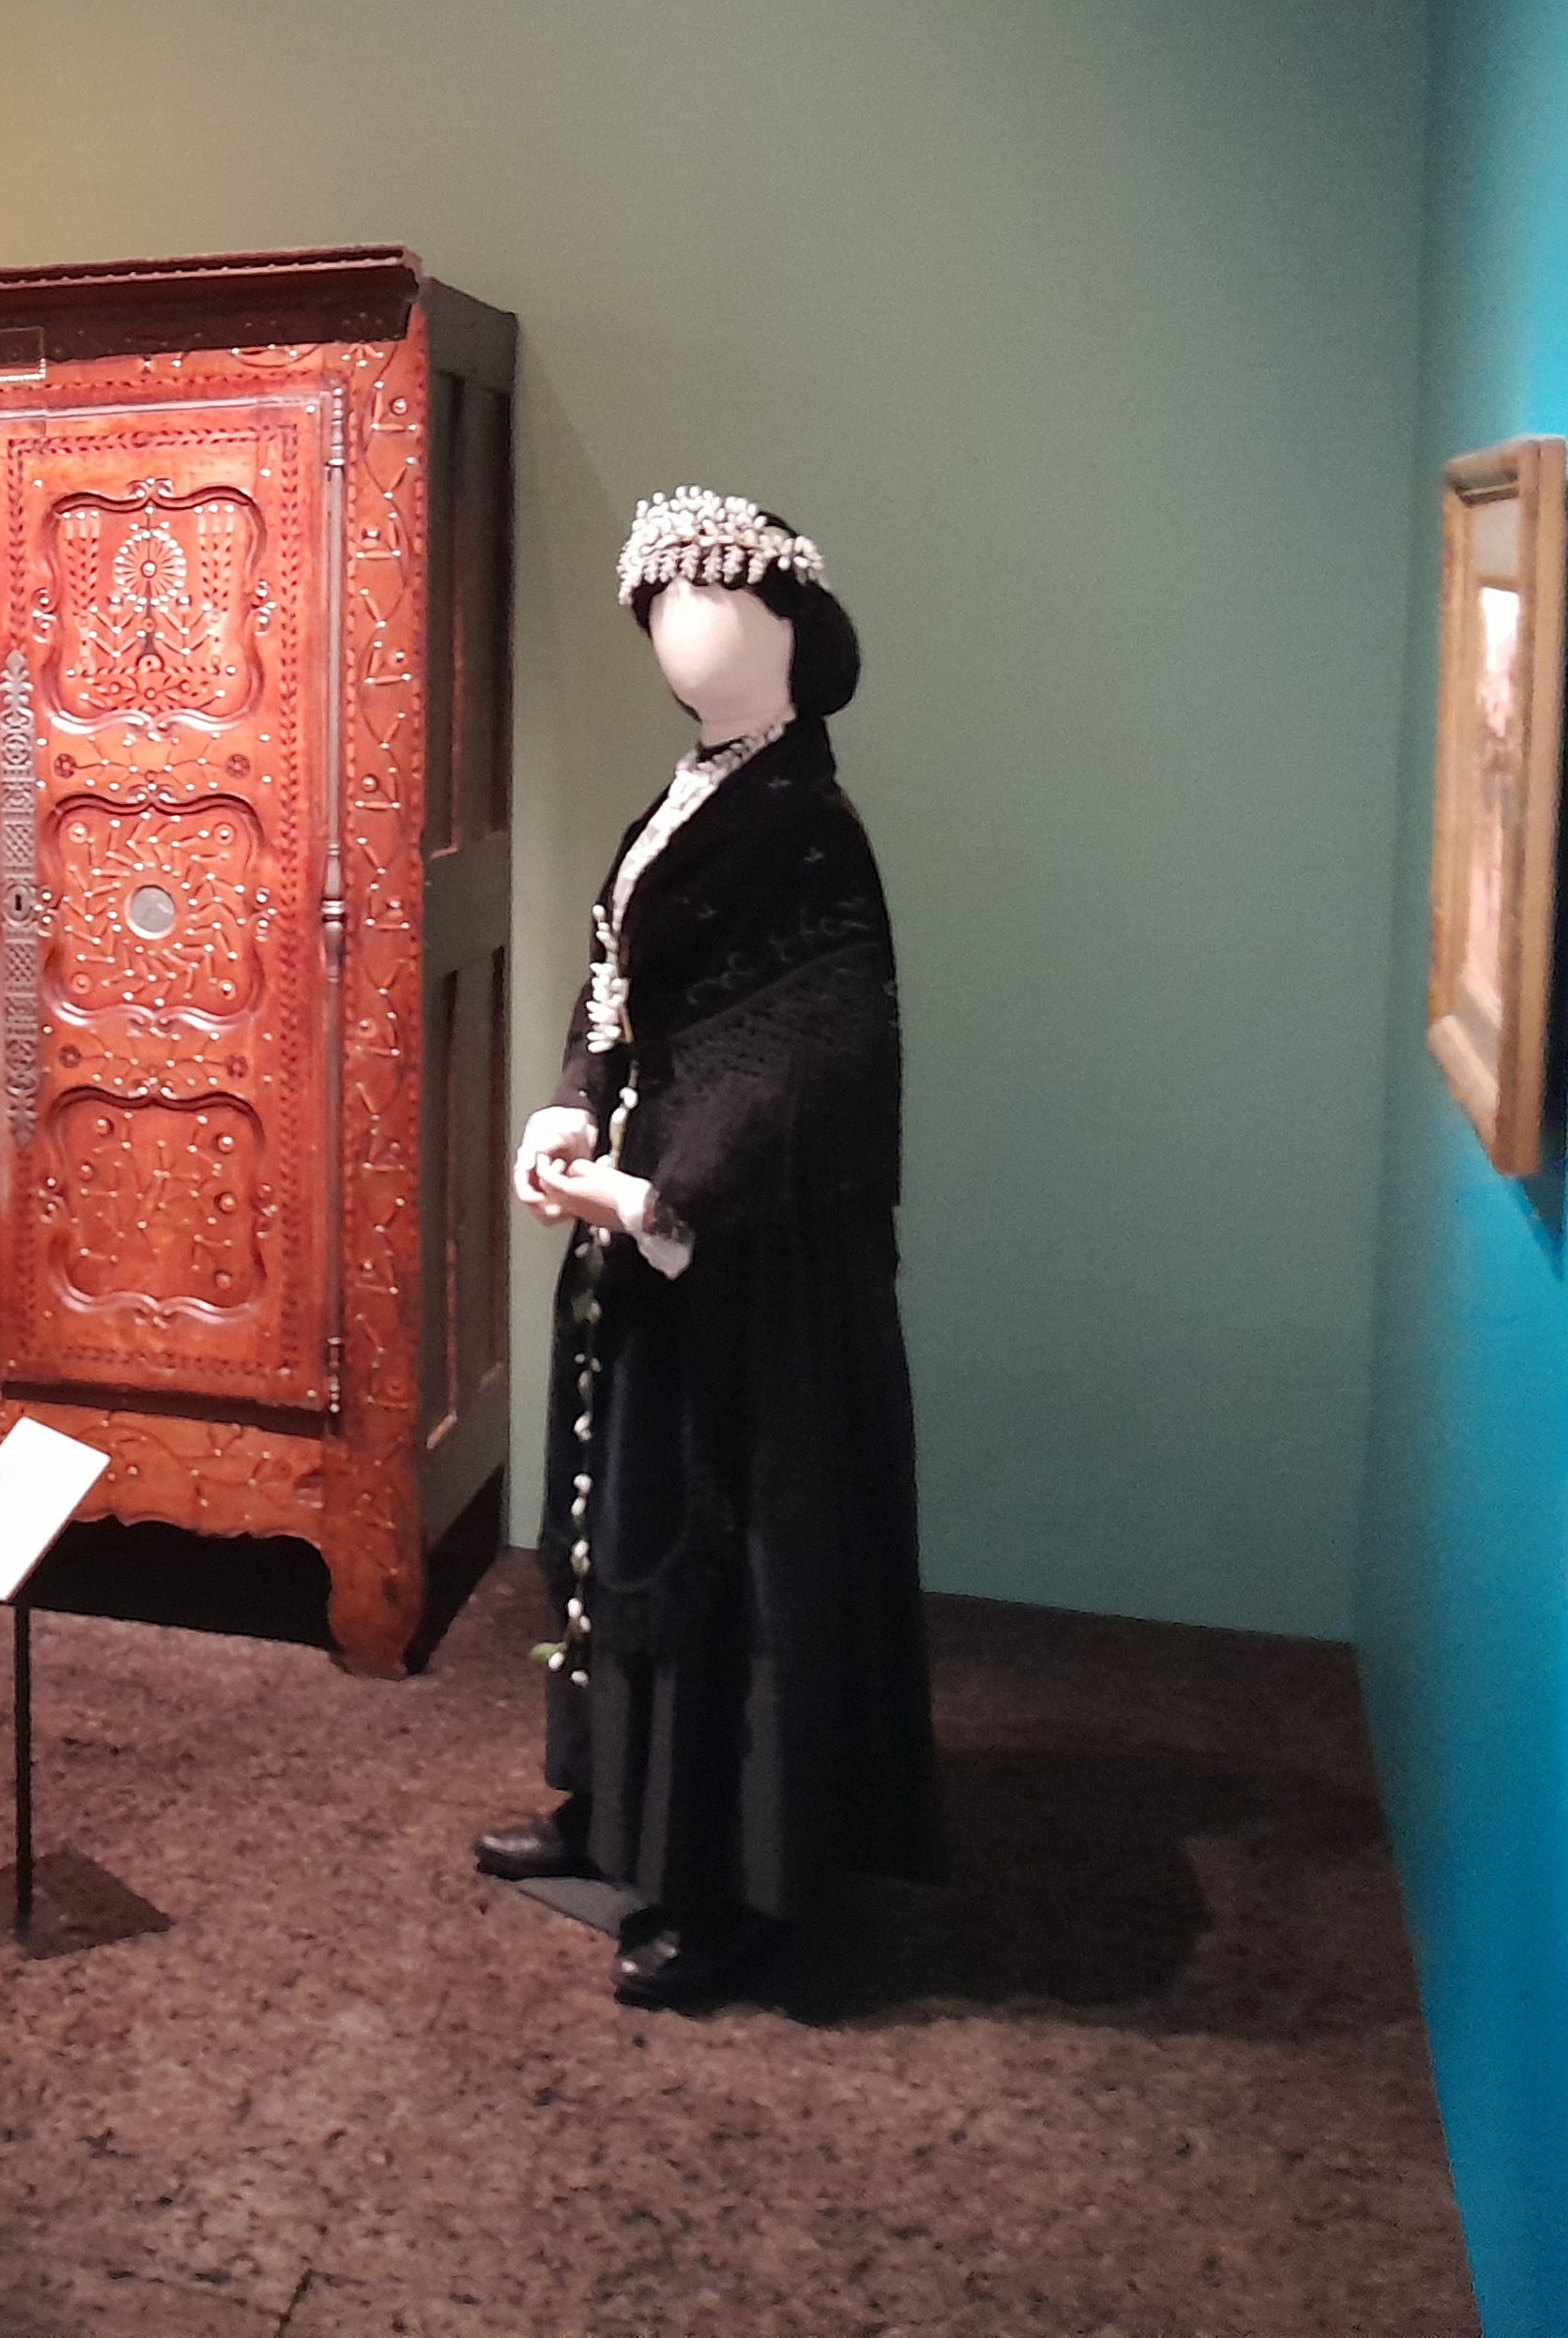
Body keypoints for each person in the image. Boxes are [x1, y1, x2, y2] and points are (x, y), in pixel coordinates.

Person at [472, 485, 941, 2010]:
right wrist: (569, 1106)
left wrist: (660, 1192)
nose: (687, 630)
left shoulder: (812, 828)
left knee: (732, 1544)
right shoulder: (687, 793)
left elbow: (816, 1052)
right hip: (646, 1237)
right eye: (665, 604)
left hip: (749, 1263)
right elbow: (618, 988)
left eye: (720, 598)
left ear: (793, 624)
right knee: (620, 1519)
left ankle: (729, 1883)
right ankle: (612, 1809)